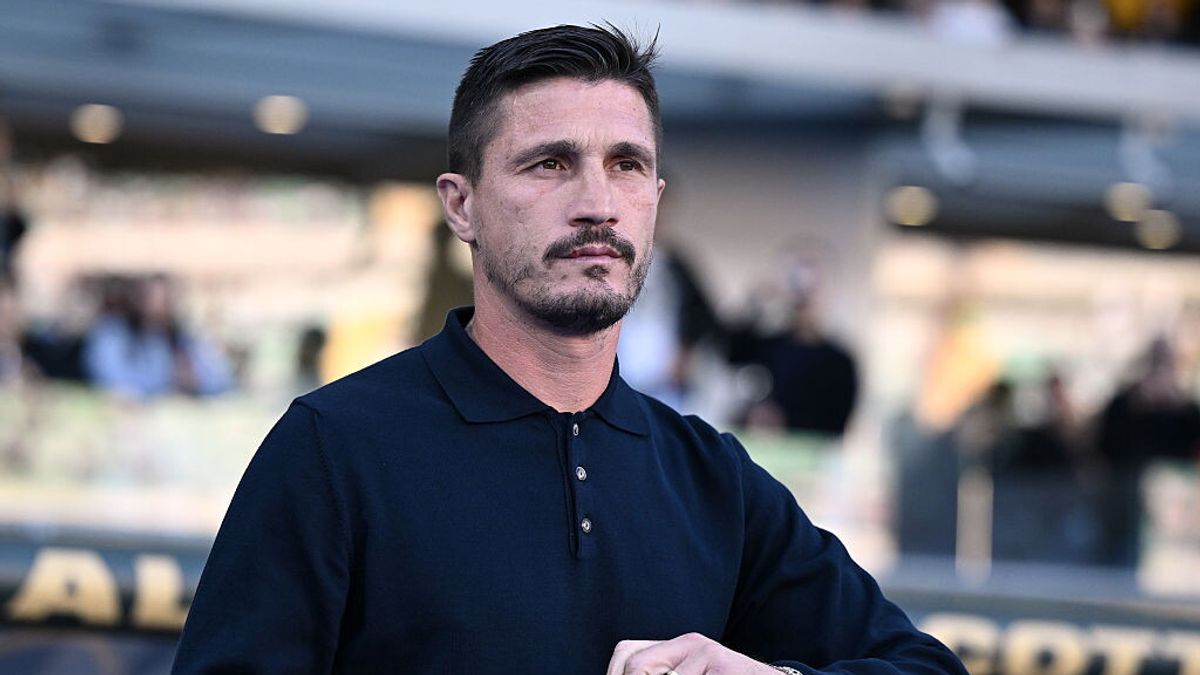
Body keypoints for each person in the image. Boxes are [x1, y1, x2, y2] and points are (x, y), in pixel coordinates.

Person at [172, 25, 966, 675]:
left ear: (654, 202)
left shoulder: (711, 480)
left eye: (627, 166)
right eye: (550, 164)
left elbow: (926, 666)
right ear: (461, 205)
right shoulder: (334, 449)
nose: (597, 204)